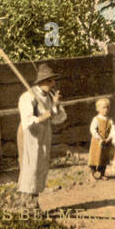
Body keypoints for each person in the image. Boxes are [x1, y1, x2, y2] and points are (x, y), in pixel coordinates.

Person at [17, 64, 67, 208]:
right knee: (30, 165)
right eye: (51, 81)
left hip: (44, 133)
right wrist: (43, 116)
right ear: (43, 81)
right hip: (30, 133)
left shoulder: (50, 96)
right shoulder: (28, 96)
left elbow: (59, 117)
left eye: (53, 81)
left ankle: (31, 198)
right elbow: (27, 119)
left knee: (41, 165)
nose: (54, 84)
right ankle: (28, 200)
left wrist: (55, 105)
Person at [88, 98, 115, 179]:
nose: (106, 110)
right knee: (95, 157)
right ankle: (92, 173)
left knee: (104, 157)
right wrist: (99, 138)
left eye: (107, 108)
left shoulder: (110, 120)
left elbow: (113, 130)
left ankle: (102, 173)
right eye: (104, 108)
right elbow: (92, 129)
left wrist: (109, 138)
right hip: (97, 142)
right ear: (98, 109)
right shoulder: (96, 119)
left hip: (106, 141)